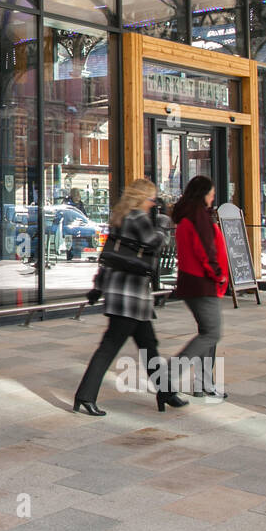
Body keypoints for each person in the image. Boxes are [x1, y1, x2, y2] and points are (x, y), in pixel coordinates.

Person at [72, 178, 188, 417]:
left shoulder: (119, 218)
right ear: (141, 198)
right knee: (110, 346)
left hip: (123, 292)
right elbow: (154, 243)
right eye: (151, 199)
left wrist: (99, 287)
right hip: (131, 295)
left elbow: (108, 258)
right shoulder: (137, 218)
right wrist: (164, 222)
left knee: (148, 345)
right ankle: (85, 396)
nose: (153, 203)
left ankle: (165, 392)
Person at [171, 175, 229, 399]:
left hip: (196, 282)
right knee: (211, 333)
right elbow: (205, 250)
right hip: (203, 283)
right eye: (211, 193)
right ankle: (170, 372)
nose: (213, 197)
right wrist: (218, 275)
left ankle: (204, 384)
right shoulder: (198, 216)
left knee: (208, 334)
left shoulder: (189, 214)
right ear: (202, 193)